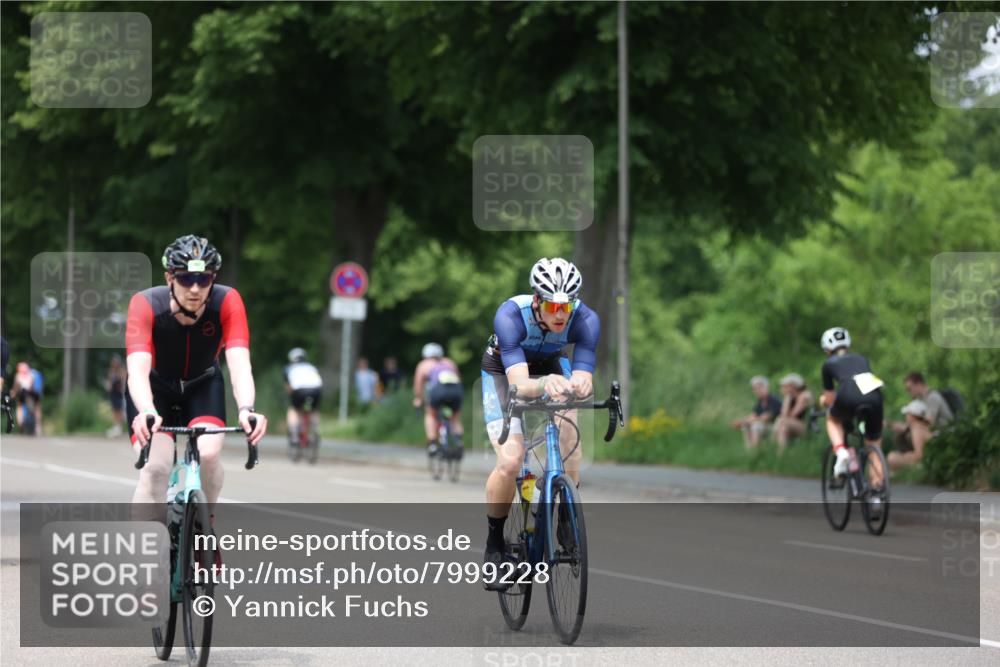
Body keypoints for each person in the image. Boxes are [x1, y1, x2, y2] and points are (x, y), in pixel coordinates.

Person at [126, 235, 267, 521]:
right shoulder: (145, 304)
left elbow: (239, 364)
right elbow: (137, 371)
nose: (194, 288)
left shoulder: (227, 301)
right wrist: (147, 411)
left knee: (210, 454)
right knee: (156, 469)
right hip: (155, 390)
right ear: (169, 277)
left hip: (202, 384)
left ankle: (204, 526)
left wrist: (246, 409)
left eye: (204, 280)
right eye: (185, 278)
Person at [480, 257, 599, 589]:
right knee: (510, 460)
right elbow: (520, 385)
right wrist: (546, 384)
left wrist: (580, 383)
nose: (560, 314)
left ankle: (565, 515)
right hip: (505, 371)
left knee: (569, 428)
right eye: (552, 305)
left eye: (567, 305)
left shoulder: (586, 320)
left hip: (550, 362)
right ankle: (494, 547)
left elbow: (582, 372)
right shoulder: (510, 316)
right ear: (537, 300)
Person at [818, 327, 885, 489]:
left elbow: (830, 397)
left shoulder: (828, 364)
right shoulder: (861, 358)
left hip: (848, 394)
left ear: (827, 349)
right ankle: (876, 494)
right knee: (874, 443)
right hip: (874, 395)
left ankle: (842, 452)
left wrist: (822, 401)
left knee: (832, 418)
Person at [887, 371, 955, 470]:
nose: (908, 392)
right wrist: (891, 425)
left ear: (919, 384)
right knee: (912, 430)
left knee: (916, 429)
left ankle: (918, 460)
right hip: (932, 434)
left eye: (909, 388)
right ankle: (912, 461)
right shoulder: (921, 400)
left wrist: (909, 426)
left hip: (943, 434)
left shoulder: (933, 397)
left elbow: (928, 423)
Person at [412, 343, 463, 456]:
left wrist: (418, 399)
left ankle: (433, 443)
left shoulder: (424, 364)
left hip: (439, 391)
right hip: (456, 390)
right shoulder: (449, 362)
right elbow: (458, 378)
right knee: (454, 417)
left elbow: (418, 386)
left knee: (431, 414)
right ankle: (458, 442)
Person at [284, 347, 323, 447]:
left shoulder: (289, 368)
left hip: (299, 390)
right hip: (316, 389)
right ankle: (315, 430)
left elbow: (289, 388)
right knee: (314, 410)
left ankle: (294, 436)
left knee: (294, 410)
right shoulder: (311, 367)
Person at [730, 376, 781, 450]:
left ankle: (756, 450)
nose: (757, 390)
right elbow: (753, 416)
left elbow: (765, 418)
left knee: (756, 426)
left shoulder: (774, 400)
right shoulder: (760, 402)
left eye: (760, 387)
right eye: (755, 389)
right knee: (745, 426)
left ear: (766, 387)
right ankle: (750, 451)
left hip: (776, 427)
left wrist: (743, 421)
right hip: (766, 427)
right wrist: (741, 421)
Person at [773, 373, 814, 453]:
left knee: (780, 421)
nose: (783, 388)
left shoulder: (804, 395)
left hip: (806, 426)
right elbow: (783, 415)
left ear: (793, 386)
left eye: (786, 386)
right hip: (792, 425)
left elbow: (793, 415)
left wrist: (787, 400)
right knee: (782, 428)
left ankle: (774, 447)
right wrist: (787, 398)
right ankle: (781, 453)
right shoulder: (790, 397)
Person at [12, 361, 44, 435]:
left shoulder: (18, 375)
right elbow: (33, 386)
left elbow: (16, 388)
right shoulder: (32, 374)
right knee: (37, 407)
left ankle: (21, 423)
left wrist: (13, 394)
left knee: (19, 406)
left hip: (23, 394)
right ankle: (38, 425)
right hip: (33, 394)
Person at [105, 354, 127, 437]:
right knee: (114, 410)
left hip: (119, 394)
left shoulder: (121, 371)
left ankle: (119, 427)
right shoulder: (111, 371)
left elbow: (124, 381)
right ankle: (116, 427)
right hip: (113, 394)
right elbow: (110, 382)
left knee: (119, 411)